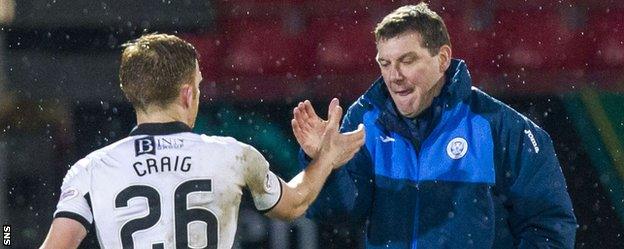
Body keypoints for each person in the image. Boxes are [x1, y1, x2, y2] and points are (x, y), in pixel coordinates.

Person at [40, 33, 365, 249]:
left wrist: (6, 236)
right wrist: (325, 157)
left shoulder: (91, 169)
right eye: (198, 84)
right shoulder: (232, 156)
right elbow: (296, 203)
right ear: (187, 93)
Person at [292, 3, 577, 248]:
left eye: (407, 60)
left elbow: (549, 226)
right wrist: (325, 164)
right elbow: (337, 213)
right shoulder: (365, 123)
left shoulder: (502, 128)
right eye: (385, 63)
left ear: (442, 59)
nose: (394, 76)